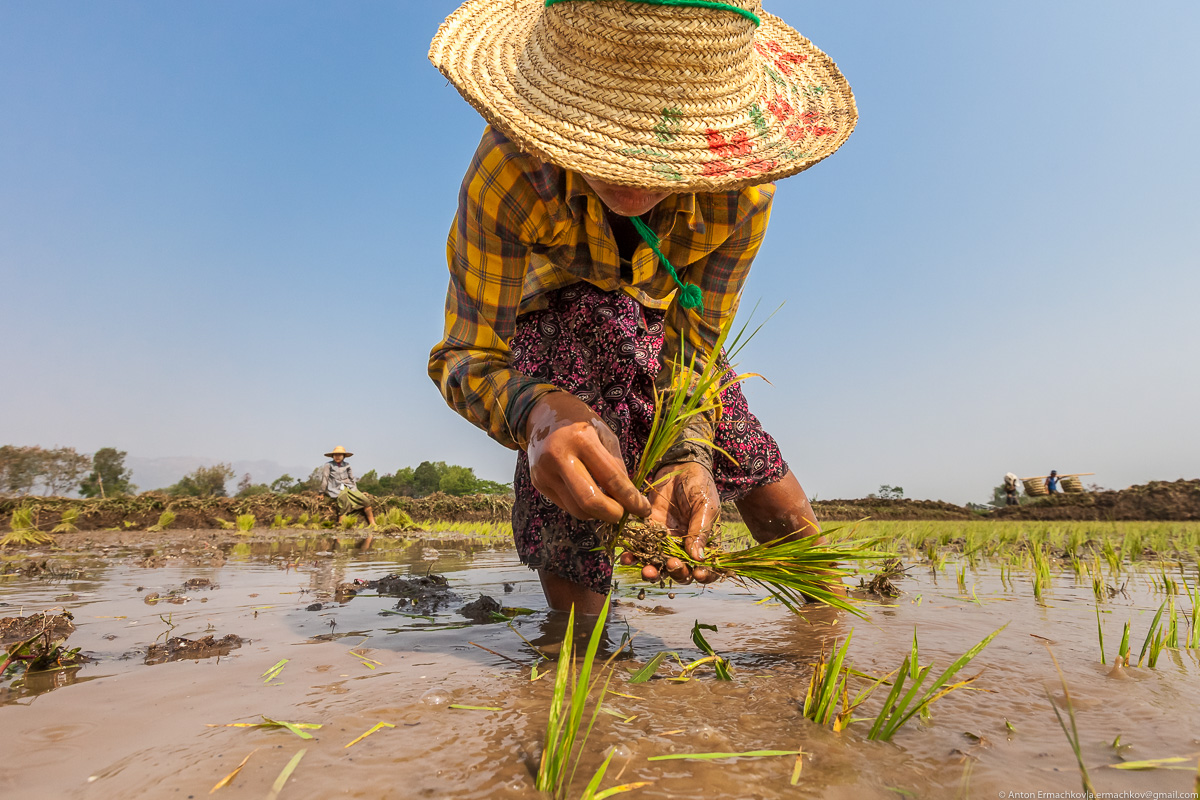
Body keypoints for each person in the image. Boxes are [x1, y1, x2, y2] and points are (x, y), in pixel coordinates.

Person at [428, 0, 857, 614]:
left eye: (663, 142)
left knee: (737, 445)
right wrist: (537, 414)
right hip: (549, 322)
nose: (632, 175)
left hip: (655, 323)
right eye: (606, 137)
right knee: (579, 471)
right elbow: (467, 356)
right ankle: (580, 663)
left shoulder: (739, 193)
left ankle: (826, 630)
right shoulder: (512, 170)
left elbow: (693, 349)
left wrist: (687, 449)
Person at [318, 446, 376, 527]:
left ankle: (373, 524)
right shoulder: (328, 465)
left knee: (365, 501)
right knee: (343, 501)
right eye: (335, 455)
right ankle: (341, 525)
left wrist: (356, 490)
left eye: (340, 455)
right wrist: (321, 493)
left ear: (343, 456)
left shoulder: (347, 465)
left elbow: (352, 479)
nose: (337, 457)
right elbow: (325, 478)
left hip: (348, 486)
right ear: (332, 456)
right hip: (336, 488)